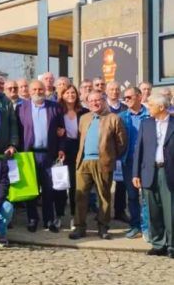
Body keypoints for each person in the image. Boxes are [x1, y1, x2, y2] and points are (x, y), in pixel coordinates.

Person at [69, 91, 127, 240]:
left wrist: (110, 156)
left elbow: (122, 143)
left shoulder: (113, 118)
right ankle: (80, 227)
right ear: (87, 103)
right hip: (84, 162)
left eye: (98, 100)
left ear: (103, 101)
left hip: (103, 162)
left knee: (104, 196)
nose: (95, 103)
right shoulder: (83, 118)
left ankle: (103, 227)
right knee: (80, 196)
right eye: (91, 101)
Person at [17, 80, 66, 232]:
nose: (38, 92)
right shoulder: (21, 108)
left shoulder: (54, 107)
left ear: (45, 90)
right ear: (30, 91)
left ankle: (49, 220)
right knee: (32, 189)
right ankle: (32, 219)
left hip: (48, 154)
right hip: (29, 154)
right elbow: (18, 132)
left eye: (40, 89)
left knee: (49, 189)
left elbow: (62, 131)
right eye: (35, 89)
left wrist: (61, 148)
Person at [133, 94, 174, 257]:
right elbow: (139, 150)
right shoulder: (146, 124)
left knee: (170, 209)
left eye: (151, 105)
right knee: (152, 209)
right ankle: (158, 244)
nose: (148, 108)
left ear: (161, 107)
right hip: (149, 171)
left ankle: (171, 245)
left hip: (168, 171)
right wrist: (136, 173)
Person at [119, 86, 150, 239]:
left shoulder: (150, 115)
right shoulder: (122, 116)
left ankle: (147, 227)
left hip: (147, 162)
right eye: (125, 98)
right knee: (131, 196)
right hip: (128, 161)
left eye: (129, 97)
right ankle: (135, 225)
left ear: (139, 96)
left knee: (146, 196)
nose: (126, 100)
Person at [59, 84, 88, 225]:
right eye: (67, 93)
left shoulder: (83, 112)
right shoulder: (57, 111)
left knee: (75, 184)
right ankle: (58, 215)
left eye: (73, 93)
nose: (70, 95)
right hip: (62, 150)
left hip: (79, 149)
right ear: (62, 95)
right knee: (60, 184)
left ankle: (74, 216)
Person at [104, 81, 128, 223]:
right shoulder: (102, 107)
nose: (115, 92)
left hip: (121, 151)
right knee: (104, 183)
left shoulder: (125, 107)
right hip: (105, 150)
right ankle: (103, 211)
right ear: (106, 91)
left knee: (121, 184)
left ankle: (120, 211)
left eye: (117, 89)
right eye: (112, 89)